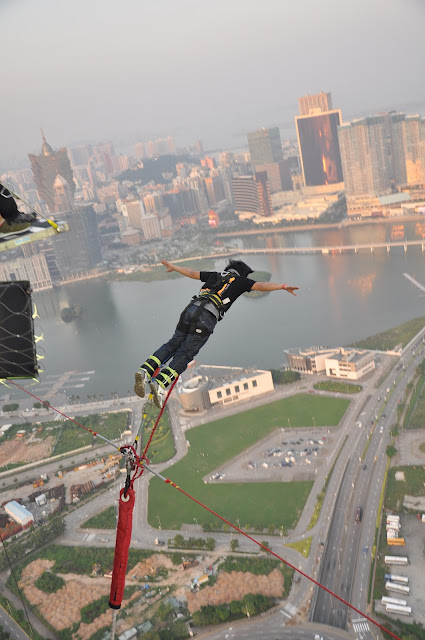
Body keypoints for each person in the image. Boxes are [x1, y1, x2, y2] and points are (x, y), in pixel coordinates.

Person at [135, 259, 298, 407]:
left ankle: (144, 372)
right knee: (185, 354)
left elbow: (191, 273)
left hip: (191, 309)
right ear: (242, 273)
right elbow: (261, 286)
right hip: (206, 317)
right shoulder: (241, 281)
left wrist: (174, 267)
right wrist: (282, 286)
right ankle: (159, 384)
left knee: (172, 344)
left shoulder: (215, 275)